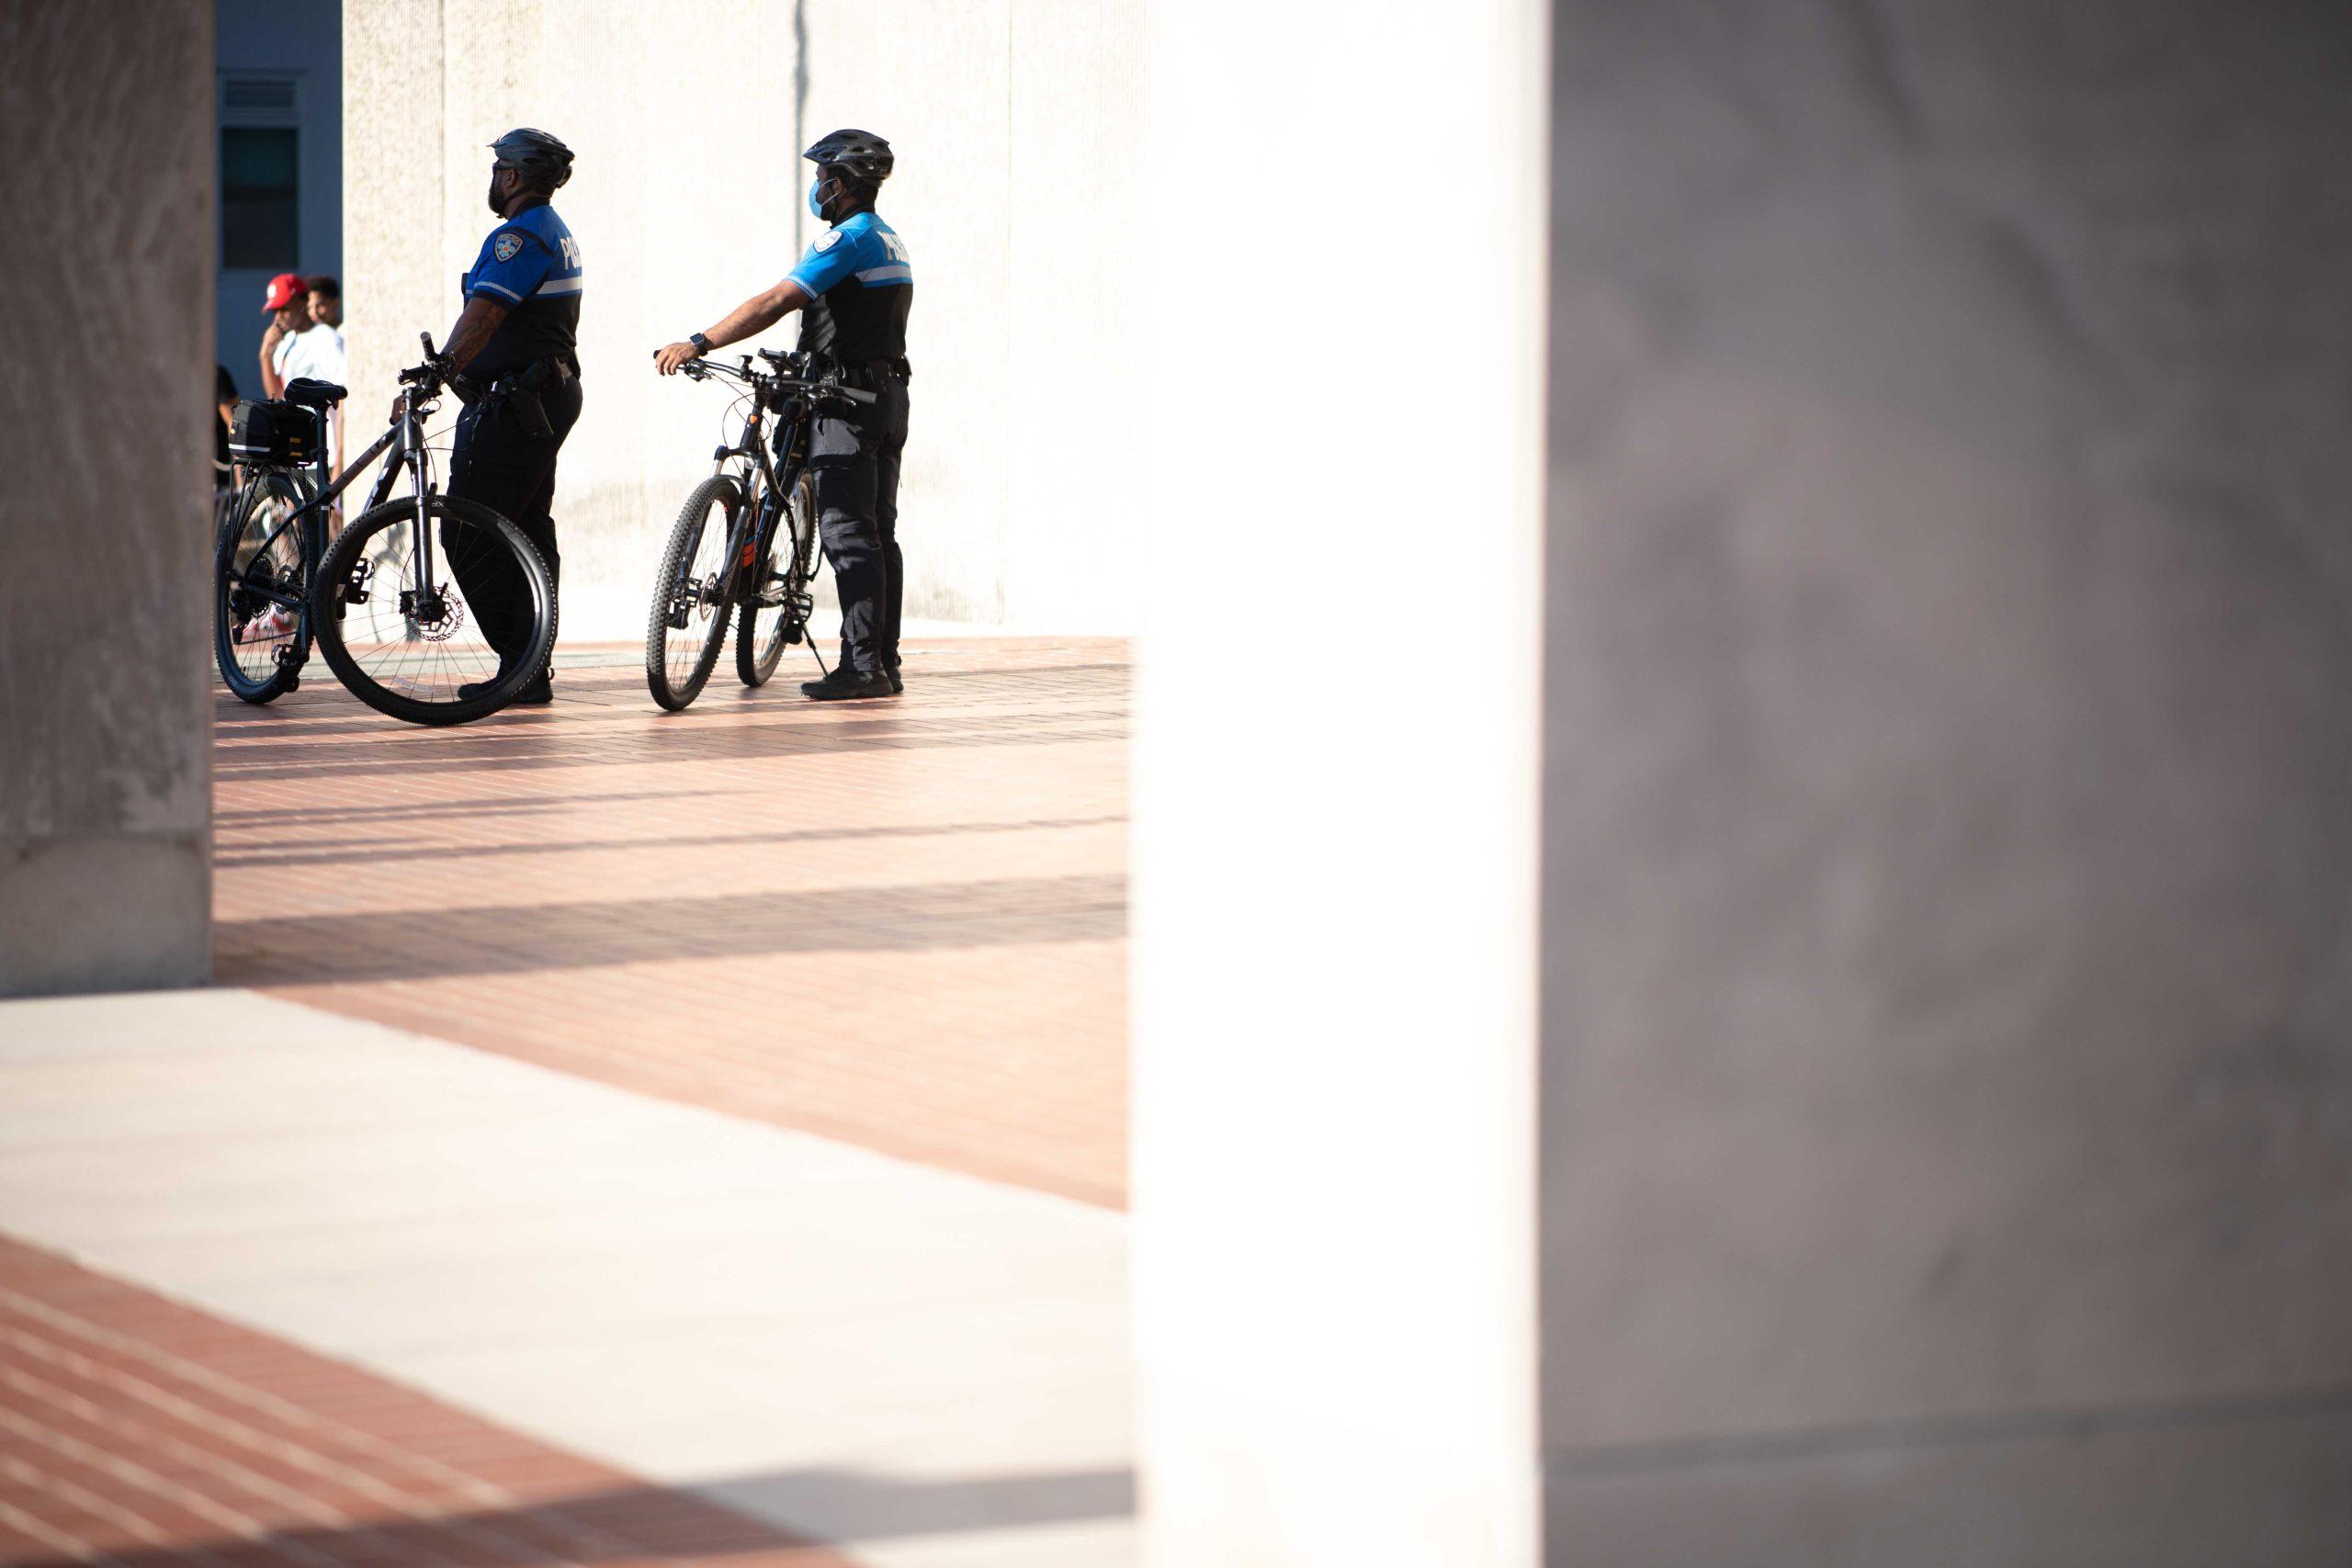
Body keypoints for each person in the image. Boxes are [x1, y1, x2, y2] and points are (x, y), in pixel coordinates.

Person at [654, 128, 911, 700]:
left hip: (846, 402)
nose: (817, 188)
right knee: (878, 534)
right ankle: (882, 661)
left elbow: (774, 302)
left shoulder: (846, 240)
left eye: (823, 179)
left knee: (846, 533)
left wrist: (700, 341)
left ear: (841, 185)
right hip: (888, 395)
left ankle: (862, 667)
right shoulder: (889, 238)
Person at [425, 127, 584, 705]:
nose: (493, 179)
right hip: (543, 396)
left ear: (512, 176)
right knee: (528, 532)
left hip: (517, 402)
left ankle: (519, 666)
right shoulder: (555, 232)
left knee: (468, 531)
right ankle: (529, 666)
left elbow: (484, 314)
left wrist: (438, 373)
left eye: (497, 169)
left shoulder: (518, 237)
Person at [257, 273, 346, 478]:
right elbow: (278, 398)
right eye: (275, 311)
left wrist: (340, 464)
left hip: (323, 455)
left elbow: (343, 403)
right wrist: (265, 356)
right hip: (296, 454)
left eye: (284, 309)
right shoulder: (287, 341)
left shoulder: (326, 338)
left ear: (301, 303)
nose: (279, 316)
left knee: (325, 510)